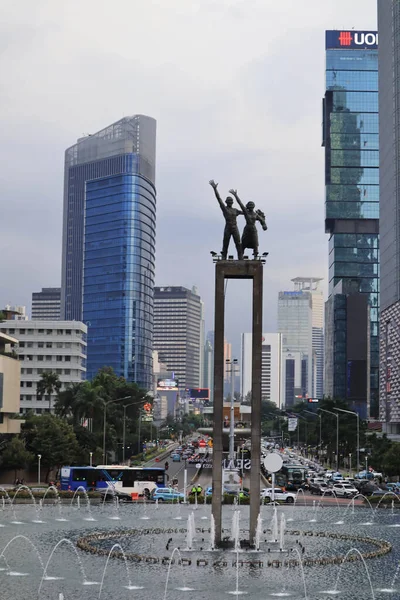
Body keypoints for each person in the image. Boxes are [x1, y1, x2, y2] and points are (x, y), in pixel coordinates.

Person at [209, 179, 243, 259]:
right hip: (228, 227)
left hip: (235, 228)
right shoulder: (225, 209)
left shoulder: (235, 210)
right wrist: (215, 189)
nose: (230, 202)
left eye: (231, 201)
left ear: (233, 202)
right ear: (226, 202)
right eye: (229, 201)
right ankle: (224, 256)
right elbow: (219, 199)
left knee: (238, 243)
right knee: (225, 243)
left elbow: (246, 213)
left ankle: (240, 256)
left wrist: (257, 216)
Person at [229, 189, 267, 258]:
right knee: (243, 244)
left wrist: (264, 225)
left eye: (252, 205)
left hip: (253, 229)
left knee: (255, 243)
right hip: (247, 229)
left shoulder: (255, 214)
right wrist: (235, 195)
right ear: (248, 206)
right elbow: (240, 204)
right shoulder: (246, 213)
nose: (251, 206)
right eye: (250, 205)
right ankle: (241, 257)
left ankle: (255, 256)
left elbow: (262, 220)